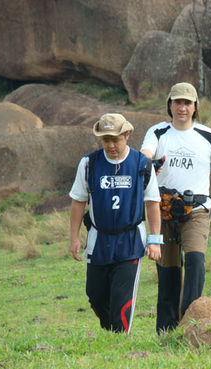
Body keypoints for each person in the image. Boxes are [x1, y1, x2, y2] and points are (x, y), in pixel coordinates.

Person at [141, 82, 211, 333]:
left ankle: (190, 321)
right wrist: (149, 162)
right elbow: (145, 153)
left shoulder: (208, 136)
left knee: (195, 262)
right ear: (169, 105)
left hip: (197, 210)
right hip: (164, 210)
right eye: (177, 102)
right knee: (168, 271)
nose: (182, 107)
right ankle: (166, 329)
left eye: (187, 103)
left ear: (195, 107)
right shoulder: (158, 132)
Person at [69, 113, 162, 334]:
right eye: (105, 140)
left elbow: (152, 204)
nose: (110, 145)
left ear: (127, 135)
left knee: (122, 299)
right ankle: (111, 333)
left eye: (115, 140)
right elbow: (78, 201)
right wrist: (74, 237)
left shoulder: (142, 164)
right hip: (98, 239)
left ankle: (120, 342)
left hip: (130, 240)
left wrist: (155, 240)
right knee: (95, 295)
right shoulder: (89, 163)